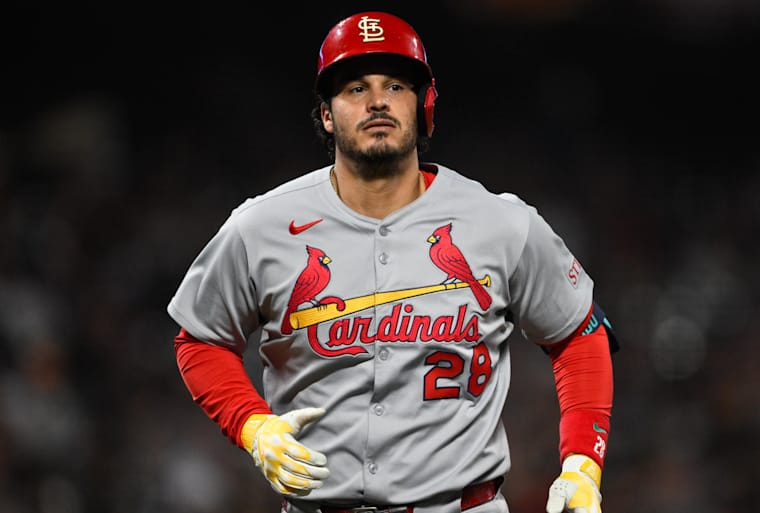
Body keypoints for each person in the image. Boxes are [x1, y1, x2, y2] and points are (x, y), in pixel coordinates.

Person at [167, 11, 618, 513]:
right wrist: (252, 425)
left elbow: (580, 333)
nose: (377, 99)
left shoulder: (500, 223)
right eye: (355, 88)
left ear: (424, 105)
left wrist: (582, 462)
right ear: (325, 114)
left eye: (396, 85)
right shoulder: (261, 226)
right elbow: (200, 339)